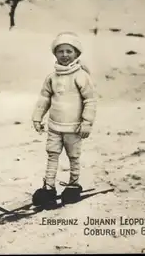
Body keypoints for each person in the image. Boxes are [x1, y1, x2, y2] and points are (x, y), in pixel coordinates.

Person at [31, 32, 97, 207]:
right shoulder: (52, 77)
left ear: (76, 54)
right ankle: (48, 188)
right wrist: (37, 118)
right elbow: (44, 99)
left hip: (74, 127)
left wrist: (86, 122)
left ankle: (73, 185)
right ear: (55, 54)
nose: (65, 55)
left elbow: (90, 100)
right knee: (52, 155)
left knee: (73, 156)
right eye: (60, 51)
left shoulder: (81, 76)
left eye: (69, 51)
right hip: (54, 126)